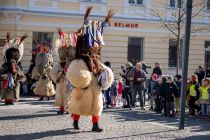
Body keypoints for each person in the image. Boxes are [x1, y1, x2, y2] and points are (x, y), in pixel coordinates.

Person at [66, 7, 114, 132]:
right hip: (83, 88)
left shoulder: (96, 60)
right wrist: (84, 80)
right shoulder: (79, 61)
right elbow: (75, 75)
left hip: (95, 87)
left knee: (97, 106)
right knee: (79, 106)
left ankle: (95, 125)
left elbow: (99, 30)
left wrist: (104, 74)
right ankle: (75, 121)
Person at [50, 28, 76, 115]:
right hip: (62, 76)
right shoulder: (61, 55)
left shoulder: (73, 55)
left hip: (70, 76)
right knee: (61, 93)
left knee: (69, 93)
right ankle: (62, 108)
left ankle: (68, 108)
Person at [0, 33, 27, 105]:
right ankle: (7, 100)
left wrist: (20, 76)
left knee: (14, 87)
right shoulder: (7, 63)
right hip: (7, 77)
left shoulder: (15, 64)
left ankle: (11, 100)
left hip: (13, 78)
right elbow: (2, 71)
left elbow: (19, 71)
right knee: (7, 88)